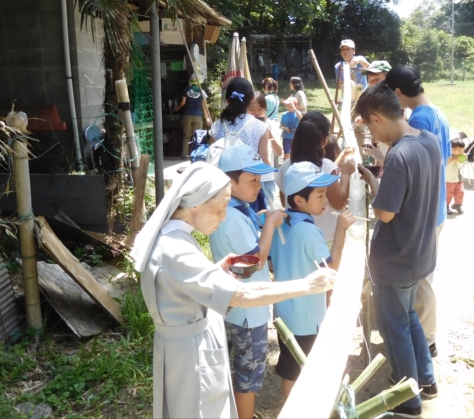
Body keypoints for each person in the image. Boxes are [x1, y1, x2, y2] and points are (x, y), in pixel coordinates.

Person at [130, 162, 337, 419]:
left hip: (189, 344)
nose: (224, 217)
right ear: (196, 205)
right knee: (195, 409)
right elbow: (242, 295)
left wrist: (215, 270)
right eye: (218, 210)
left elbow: (185, 282)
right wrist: (307, 285)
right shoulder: (175, 249)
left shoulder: (176, 236)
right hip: (189, 354)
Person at [354, 83, 440, 418]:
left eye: (369, 126)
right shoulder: (427, 140)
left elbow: (386, 212)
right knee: (408, 317)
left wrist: (375, 181)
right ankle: (427, 381)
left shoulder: (400, 156)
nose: (373, 134)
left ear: (375, 118)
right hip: (420, 252)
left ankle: (408, 400)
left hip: (396, 259)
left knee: (395, 328)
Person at [208, 144, 284, 419]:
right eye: (252, 180)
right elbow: (254, 263)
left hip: (237, 307)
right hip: (248, 311)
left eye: (259, 179)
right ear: (230, 182)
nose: (258, 186)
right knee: (248, 375)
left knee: (241, 367)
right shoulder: (233, 218)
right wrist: (269, 226)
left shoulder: (235, 209)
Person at [270, 161, 355, 399]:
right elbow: (331, 268)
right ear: (299, 200)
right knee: (307, 368)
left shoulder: (279, 224)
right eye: (319, 195)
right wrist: (340, 230)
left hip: (283, 312)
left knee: (291, 369)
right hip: (307, 317)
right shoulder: (310, 232)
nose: (325, 200)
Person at [385, 65, 451, 359]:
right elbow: (442, 161)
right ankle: (425, 334)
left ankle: (427, 339)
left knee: (421, 278)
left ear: (398, 93)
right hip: (435, 206)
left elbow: (415, 162)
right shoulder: (438, 113)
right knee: (425, 274)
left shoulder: (420, 119)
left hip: (424, 209)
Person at [276, 112, 356, 245]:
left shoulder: (286, 166)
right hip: (323, 236)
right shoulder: (327, 167)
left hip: (294, 234)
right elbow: (338, 203)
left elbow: (285, 201)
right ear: (325, 140)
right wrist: (346, 174)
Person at [210, 77, 272, 211]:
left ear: (227, 100)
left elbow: (212, 157)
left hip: (222, 189)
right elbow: (265, 163)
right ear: (251, 100)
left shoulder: (216, 127)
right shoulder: (260, 127)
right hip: (248, 190)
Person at [249, 92, 283, 206]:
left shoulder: (271, 124)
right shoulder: (246, 125)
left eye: (260, 109)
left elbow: (279, 151)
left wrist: (267, 131)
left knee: (266, 214)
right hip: (249, 178)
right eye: (252, 109)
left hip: (266, 178)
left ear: (265, 109)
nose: (257, 113)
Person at [175, 74, 212, 159]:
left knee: (186, 136)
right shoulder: (202, 92)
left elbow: (183, 103)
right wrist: (207, 118)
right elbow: (204, 106)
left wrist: (178, 107)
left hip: (187, 115)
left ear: (191, 81)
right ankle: (196, 155)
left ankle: (184, 155)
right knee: (198, 136)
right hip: (198, 115)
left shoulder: (187, 89)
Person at [446, 138, 467, 215]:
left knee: (460, 192)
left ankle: (457, 204)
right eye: (459, 151)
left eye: (463, 150)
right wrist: (452, 159)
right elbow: (446, 164)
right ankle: (446, 206)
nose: (461, 152)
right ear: (452, 150)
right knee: (449, 193)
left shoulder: (458, 156)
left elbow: (461, 162)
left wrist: (463, 158)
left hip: (458, 179)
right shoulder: (448, 157)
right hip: (449, 180)